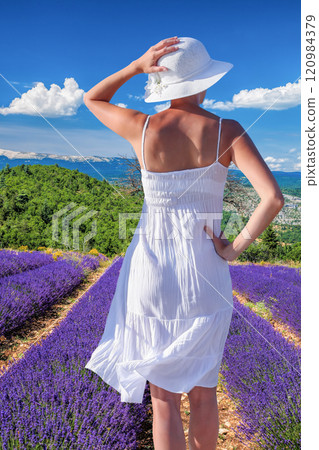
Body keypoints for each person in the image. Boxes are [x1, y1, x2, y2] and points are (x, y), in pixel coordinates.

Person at [83, 36, 285, 450]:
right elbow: (274, 198)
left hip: (150, 272)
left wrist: (136, 66)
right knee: (204, 391)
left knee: (163, 400)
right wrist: (232, 249)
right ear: (204, 81)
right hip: (205, 275)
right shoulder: (226, 130)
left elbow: (92, 99)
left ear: (163, 84)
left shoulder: (140, 127)